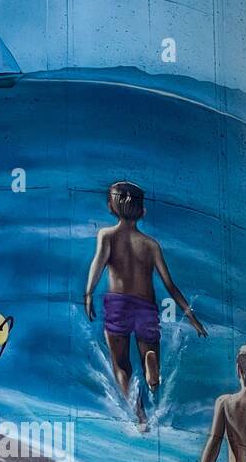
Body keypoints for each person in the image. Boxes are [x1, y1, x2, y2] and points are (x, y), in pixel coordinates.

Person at [84, 181, 207, 428]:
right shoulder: (151, 245)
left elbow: (98, 264)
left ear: (111, 206)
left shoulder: (107, 235)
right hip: (146, 307)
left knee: (121, 364)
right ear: (143, 211)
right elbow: (170, 285)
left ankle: (140, 415)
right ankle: (151, 367)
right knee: (147, 348)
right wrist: (191, 318)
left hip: (118, 304)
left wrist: (88, 294)